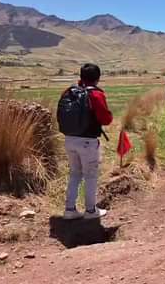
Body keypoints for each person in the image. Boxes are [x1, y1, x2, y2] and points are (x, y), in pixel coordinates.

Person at [61, 63, 113, 220]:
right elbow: (106, 119)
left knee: (75, 174)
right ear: (97, 78)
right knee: (90, 175)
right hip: (88, 142)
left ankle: (70, 209)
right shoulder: (96, 95)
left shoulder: (69, 92)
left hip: (69, 139)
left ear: (81, 77)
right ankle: (91, 211)